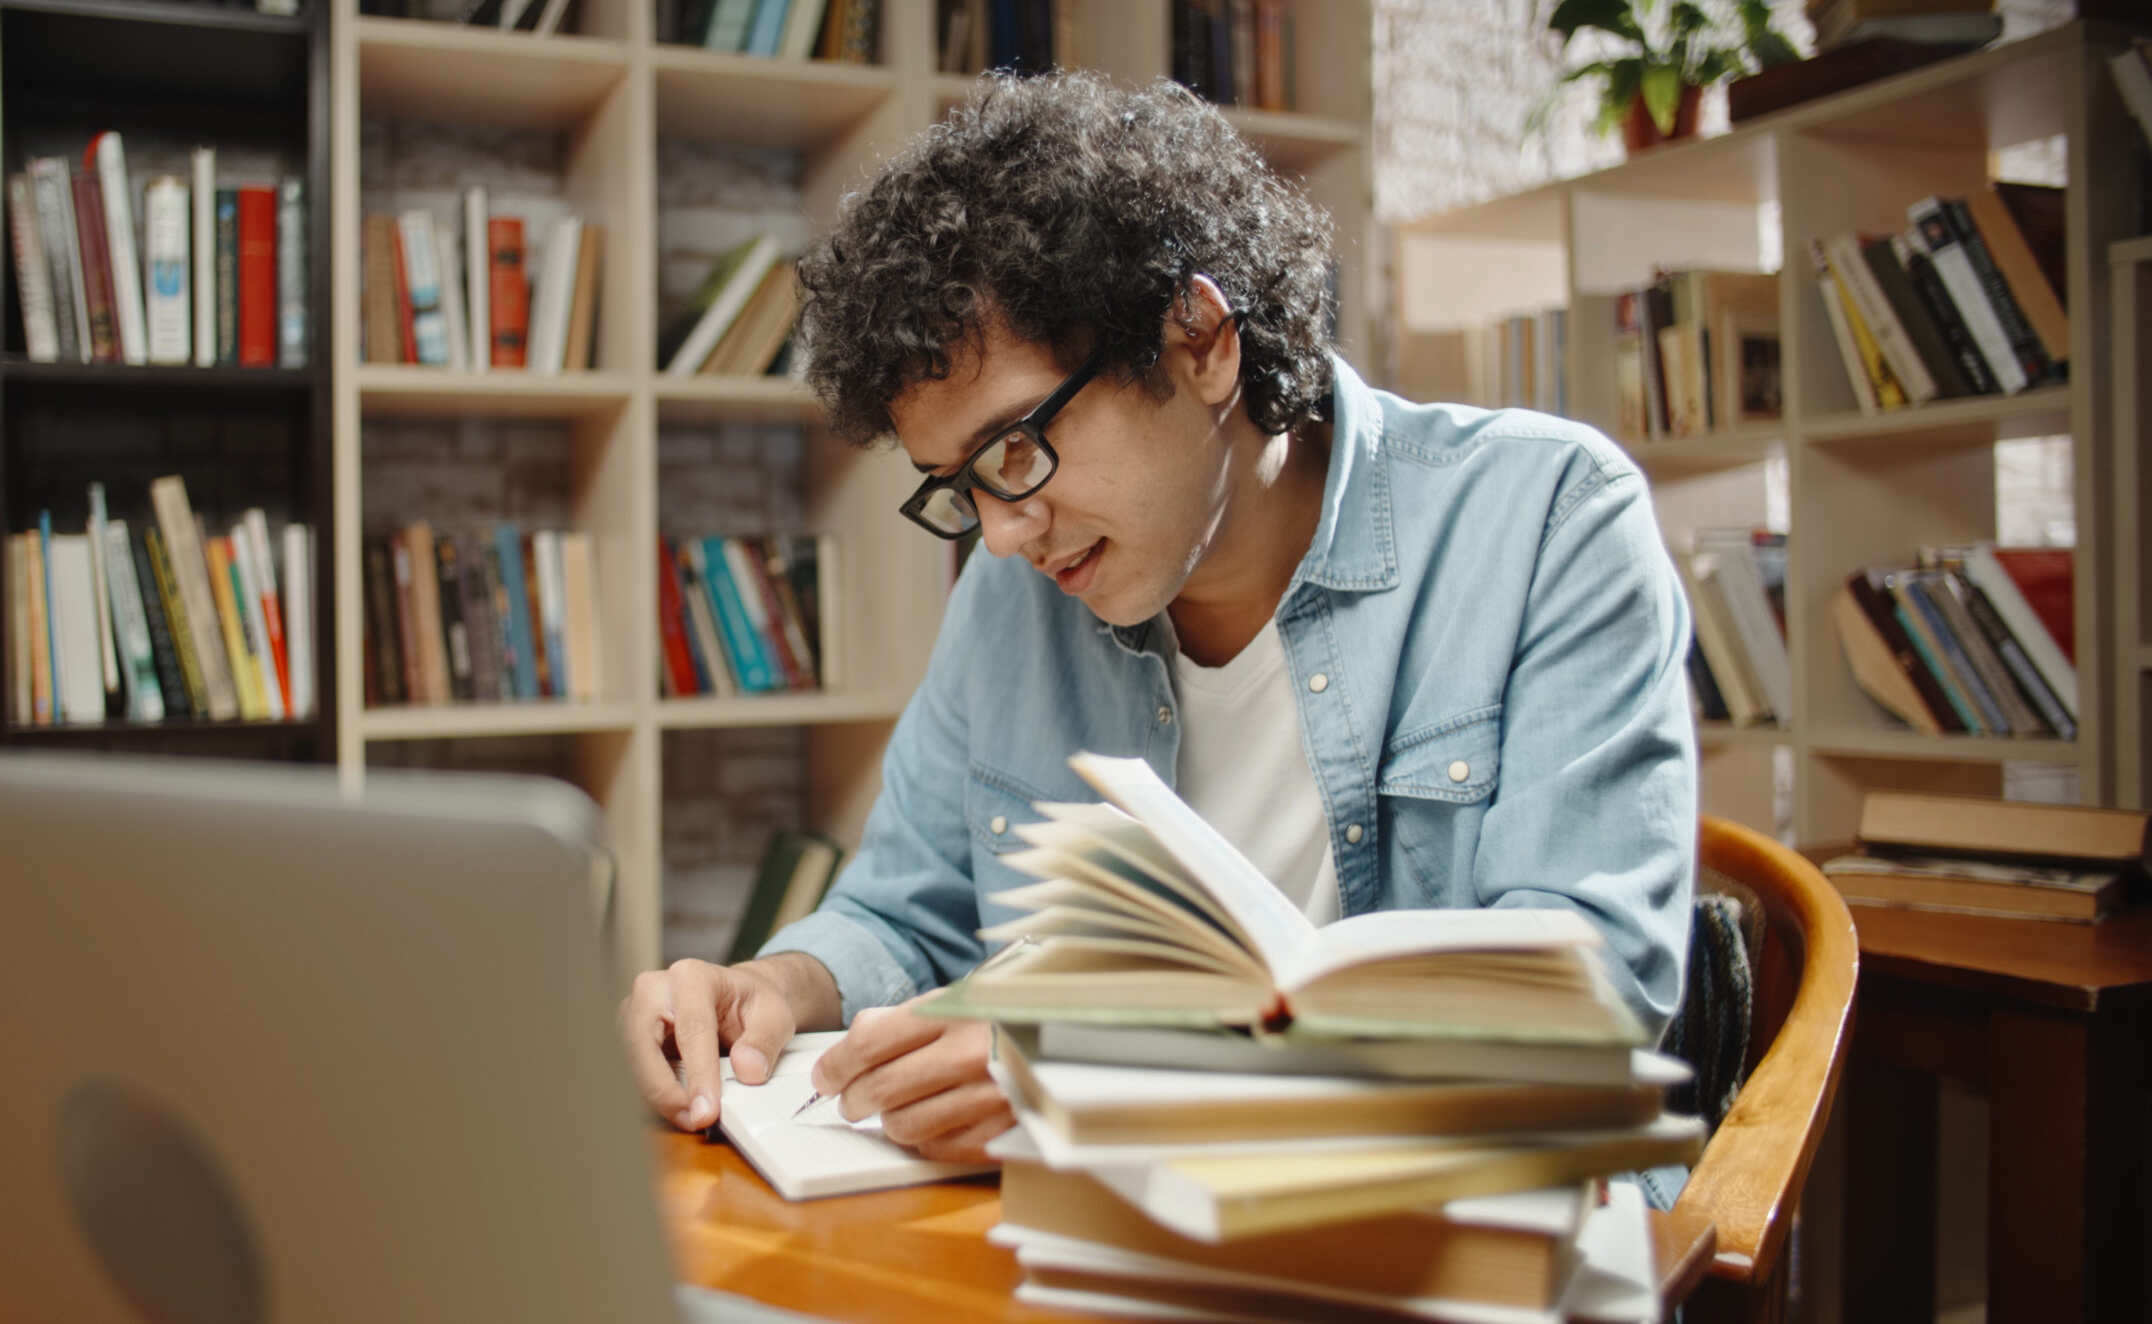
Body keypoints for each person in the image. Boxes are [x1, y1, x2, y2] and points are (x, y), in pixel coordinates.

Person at [618, 72, 1696, 1171]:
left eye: (1016, 449)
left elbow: (1592, 993)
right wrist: (769, 986)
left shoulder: (1545, 520)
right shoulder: (1013, 593)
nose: (1000, 534)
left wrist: (1115, 1059)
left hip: (1453, 1227)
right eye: (961, 484)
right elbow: (907, 911)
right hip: (1109, 1242)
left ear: (1199, 340)